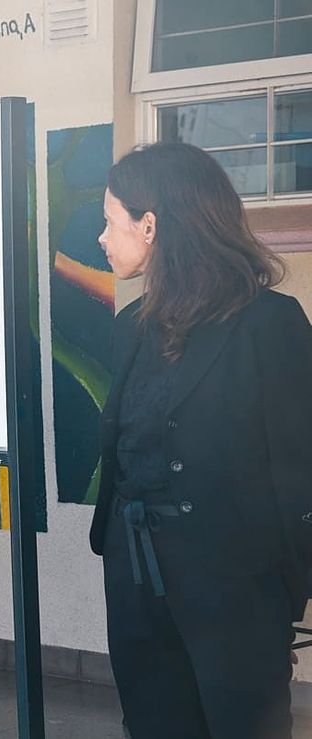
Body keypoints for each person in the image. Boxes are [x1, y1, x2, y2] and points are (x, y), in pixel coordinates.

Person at [89, 142, 312, 739]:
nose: (102, 238)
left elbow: (300, 467)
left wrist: (284, 596)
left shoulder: (269, 323)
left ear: (150, 225)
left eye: (110, 221)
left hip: (235, 589)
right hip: (136, 578)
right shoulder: (130, 327)